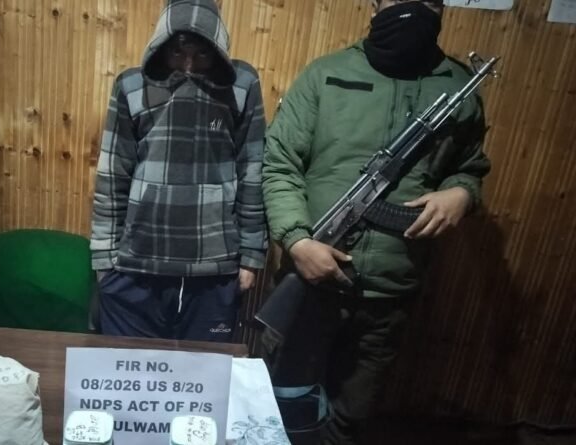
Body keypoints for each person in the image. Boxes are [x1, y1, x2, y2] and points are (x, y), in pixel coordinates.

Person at [262, 0, 491, 443]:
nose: (413, 6)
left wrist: (462, 193)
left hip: (390, 294)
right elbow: (279, 164)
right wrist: (297, 241)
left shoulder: (457, 86)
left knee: (352, 418)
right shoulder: (326, 74)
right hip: (311, 282)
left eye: (428, 0)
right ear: (374, 4)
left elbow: (469, 166)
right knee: (283, 407)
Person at [90, 0, 268, 342]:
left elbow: (253, 170)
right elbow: (113, 174)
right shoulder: (131, 84)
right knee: (130, 369)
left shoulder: (242, 83)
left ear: (217, 50)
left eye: (201, 55)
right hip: (135, 266)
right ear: (161, 47)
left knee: (206, 370)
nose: (188, 66)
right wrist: (104, 258)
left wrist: (251, 255)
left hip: (215, 271)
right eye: (177, 54)